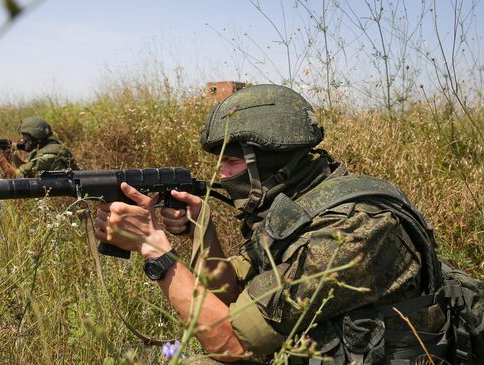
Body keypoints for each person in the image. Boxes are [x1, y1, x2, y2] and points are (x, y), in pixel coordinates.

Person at [93, 84, 450, 364]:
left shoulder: (351, 232)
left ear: (268, 162)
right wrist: (202, 230)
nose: (221, 172)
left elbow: (230, 343)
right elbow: (232, 295)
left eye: (231, 161)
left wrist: (155, 249)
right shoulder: (298, 204)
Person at [0, 116, 78, 178]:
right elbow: (28, 170)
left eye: (24, 135)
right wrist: (14, 156)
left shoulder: (46, 157)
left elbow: (18, 177)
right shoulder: (50, 147)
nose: (22, 139)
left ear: (34, 135)